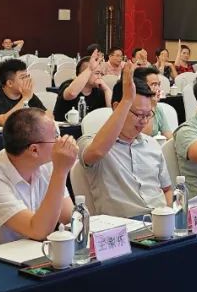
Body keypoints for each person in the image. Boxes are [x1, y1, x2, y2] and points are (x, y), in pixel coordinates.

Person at [0, 108, 77, 253]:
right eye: (55, 137)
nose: (60, 141)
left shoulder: (47, 165)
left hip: (30, 253)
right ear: (34, 150)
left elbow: (69, 218)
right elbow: (37, 231)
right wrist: (61, 172)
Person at [79, 62, 173, 217]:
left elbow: (167, 189)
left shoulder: (152, 144)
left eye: (148, 115)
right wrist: (127, 100)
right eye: (139, 114)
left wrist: (167, 215)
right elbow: (96, 152)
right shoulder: (90, 142)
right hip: (124, 226)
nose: (144, 121)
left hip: (159, 220)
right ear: (117, 107)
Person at [0, 58, 46, 127]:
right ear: (10, 83)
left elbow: (46, 114)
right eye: (23, 77)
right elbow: (5, 121)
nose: (27, 80)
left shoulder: (27, 94)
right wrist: (25, 99)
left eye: (27, 76)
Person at [53, 54, 111, 122]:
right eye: (97, 73)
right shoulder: (68, 85)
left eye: (101, 74)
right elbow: (72, 93)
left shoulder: (99, 90)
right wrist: (90, 69)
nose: (100, 77)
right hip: (66, 127)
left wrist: (107, 90)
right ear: (83, 74)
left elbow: (112, 112)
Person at [136, 66, 173, 139]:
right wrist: (152, 106)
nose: (158, 89)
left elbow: (169, 136)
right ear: (141, 86)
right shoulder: (134, 109)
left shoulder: (158, 108)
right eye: (154, 85)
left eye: (159, 84)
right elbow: (143, 138)